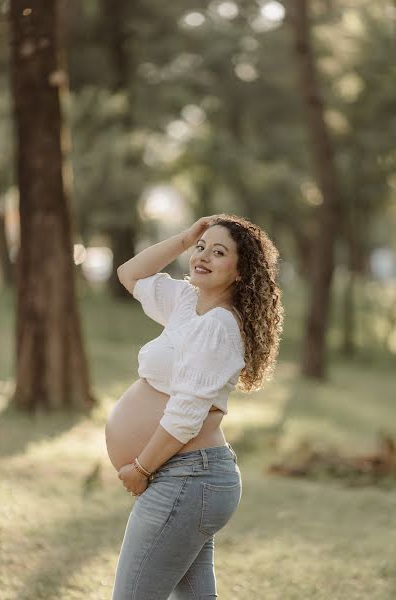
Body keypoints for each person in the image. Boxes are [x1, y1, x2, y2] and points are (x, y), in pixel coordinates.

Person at [110, 213, 284, 599]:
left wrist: (141, 468)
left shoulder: (220, 326)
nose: (202, 256)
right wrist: (184, 239)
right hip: (189, 479)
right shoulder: (188, 302)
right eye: (202, 248)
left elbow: (186, 414)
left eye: (218, 252)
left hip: (187, 478)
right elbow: (129, 275)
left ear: (240, 272)